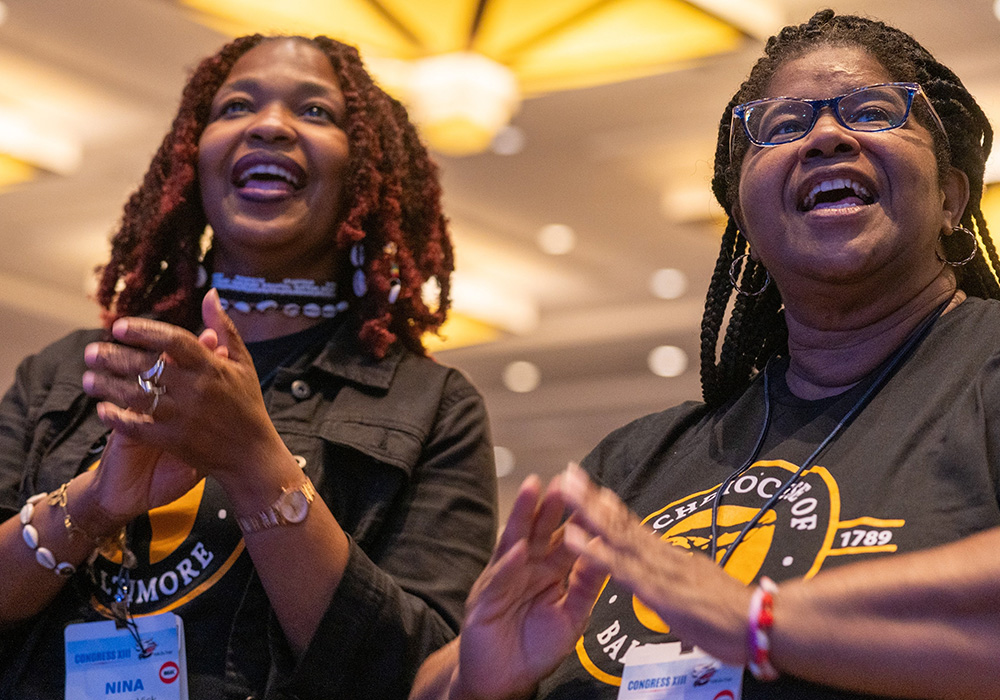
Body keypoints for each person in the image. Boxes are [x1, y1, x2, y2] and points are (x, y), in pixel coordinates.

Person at [410, 9, 1000, 700]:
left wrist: (754, 619)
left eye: (872, 111)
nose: (827, 137)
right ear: (744, 220)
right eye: (782, 127)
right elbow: (438, 682)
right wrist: (487, 684)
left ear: (953, 197)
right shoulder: (638, 459)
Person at [0, 34, 497, 700]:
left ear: (363, 173)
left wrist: (256, 466)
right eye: (236, 106)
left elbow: (424, 674)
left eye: (316, 112)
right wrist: (93, 504)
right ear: (191, 157)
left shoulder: (432, 406)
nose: (269, 125)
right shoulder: (72, 371)